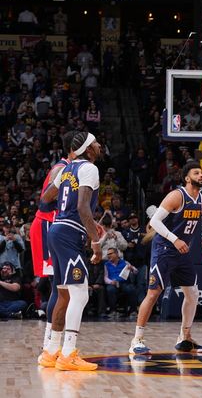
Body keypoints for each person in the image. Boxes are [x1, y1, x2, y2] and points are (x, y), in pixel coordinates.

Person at [130, 161, 202, 355]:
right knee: (154, 293)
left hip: (182, 253)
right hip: (165, 249)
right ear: (187, 178)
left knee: (193, 294)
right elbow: (155, 221)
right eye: (196, 173)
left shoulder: (200, 199)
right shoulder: (176, 195)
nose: (201, 175)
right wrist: (175, 239)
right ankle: (136, 340)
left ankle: (185, 338)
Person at [38, 131, 104, 371]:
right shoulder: (89, 168)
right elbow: (83, 206)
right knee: (80, 294)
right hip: (69, 233)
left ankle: (51, 351)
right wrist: (95, 242)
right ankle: (68, 354)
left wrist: (63, 206)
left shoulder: (66, 170)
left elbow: (45, 199)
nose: (99, 145)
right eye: (95, 143)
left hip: (56, 230)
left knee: (64, 294)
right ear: (88, 149)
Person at [30, 131, 75, 353]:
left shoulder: (71, 169)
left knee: (62, 285)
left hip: (53, 225)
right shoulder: (61, 168)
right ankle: (50, 342)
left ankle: (52, 341)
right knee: (59, 285)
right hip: (48, 224)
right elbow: (46, 200)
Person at [103, 247, 137, 315]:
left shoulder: (125, 262)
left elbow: (136, 271)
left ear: (116, 254)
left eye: (110, 253)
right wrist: (110, 282)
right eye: (108, 254)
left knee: (131, 289)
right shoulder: (106, 264)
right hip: (113, 283)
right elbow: (105, 277)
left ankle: (133, 311)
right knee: (110, 290)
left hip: (124, 282)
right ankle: (113, 311)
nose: (109, 255)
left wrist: (132, 268)